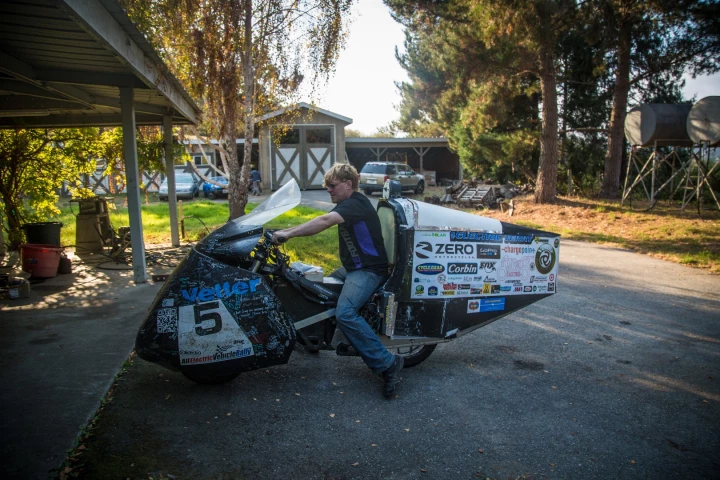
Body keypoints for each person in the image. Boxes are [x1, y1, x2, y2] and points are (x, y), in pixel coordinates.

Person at [271, 163, 405, 399]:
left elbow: (323, 222)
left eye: (332, 186)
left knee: (345, 313)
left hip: (369, 271)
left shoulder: (355, 204)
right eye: (327, 187)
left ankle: (387, 363)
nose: (329, 191)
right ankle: (313, 338)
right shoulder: (348, 204)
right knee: (311, 286)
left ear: (348, 184)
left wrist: (288, 234)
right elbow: (320, 220)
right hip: (354, 268)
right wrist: (282, 231)